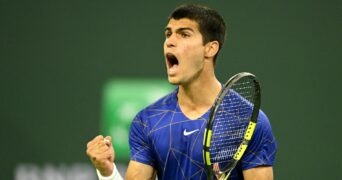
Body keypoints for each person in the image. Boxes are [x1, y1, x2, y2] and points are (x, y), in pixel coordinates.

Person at [86, 4, 277, 180]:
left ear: (210, 48)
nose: (170, 41)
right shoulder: (147, 121)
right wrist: (107, 172)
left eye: (184, 34)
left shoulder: (249, 120)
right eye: (168, 34)